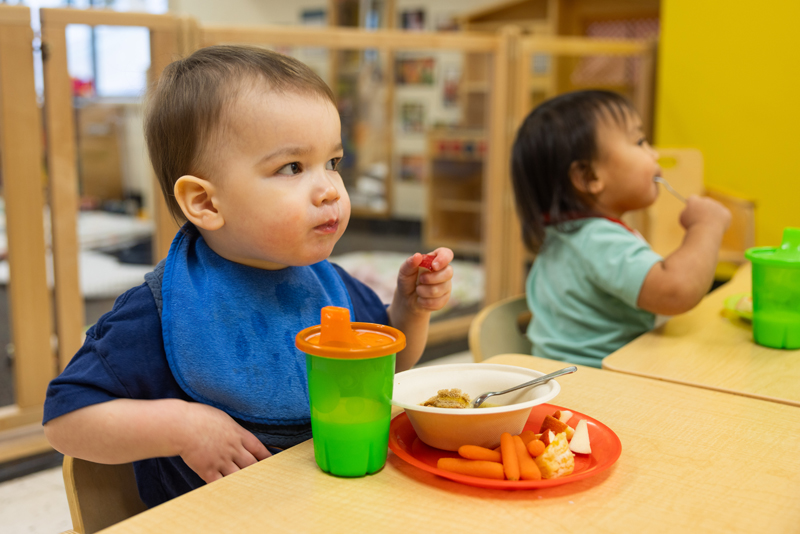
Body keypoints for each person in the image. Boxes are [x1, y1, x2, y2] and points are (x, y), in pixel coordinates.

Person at [43, 46, 454, 507]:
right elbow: (65, 420)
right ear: (205, 203)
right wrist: (182, 427)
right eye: (293, 167)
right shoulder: (164, 310)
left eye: (333, 163)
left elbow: (391, 368)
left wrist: (410, 309)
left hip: (334, 507)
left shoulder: (327, 284)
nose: (329, 191)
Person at [511, 90, 730, 368]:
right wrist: (706, 225)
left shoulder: (568, 235)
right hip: (596, 387)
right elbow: (675, 291)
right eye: (639, 141)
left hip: (574, 382)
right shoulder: (597, 239)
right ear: (589, 177)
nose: (654, 153)